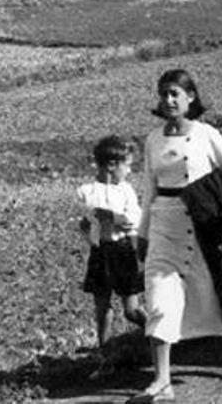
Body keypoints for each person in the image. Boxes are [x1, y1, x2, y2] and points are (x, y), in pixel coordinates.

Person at [133, 69, 222, 402]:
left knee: (212, 289)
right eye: (164, 94)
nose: (168, 101)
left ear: (190, 97)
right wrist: (143, 233)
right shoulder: (154, 139)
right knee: (158, 295)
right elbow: (149, 188)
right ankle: (162, 380)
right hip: (164, 223)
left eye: (175, 94)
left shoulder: (206, 134)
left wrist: (220, 204)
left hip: (203, 222)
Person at [77, 135, 147, 380]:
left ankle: (158, 336)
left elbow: (131, 221)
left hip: (123, 251)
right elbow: (87, 220)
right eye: (126, 165)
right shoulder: (87, 191)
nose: (128, 171)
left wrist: (109, 216)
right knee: (102, 307)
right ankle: (106, 357)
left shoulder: (125, 191)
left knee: (131, 309)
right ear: (111, 165)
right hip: (100, 252)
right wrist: (95, 223)